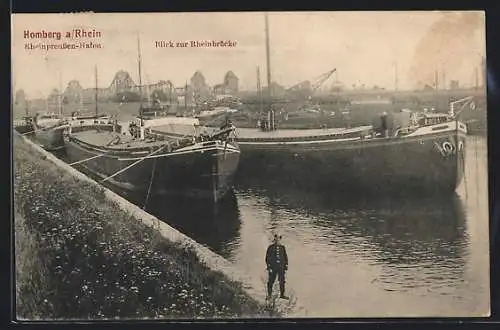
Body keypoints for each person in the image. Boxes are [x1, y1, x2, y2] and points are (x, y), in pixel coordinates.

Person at [265, 234, 289, 299]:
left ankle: (282, 294)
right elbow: (267, 258)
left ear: (280, 240)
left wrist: (286, 265)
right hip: (273, 267)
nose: (277, 240)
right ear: (274, 239)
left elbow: (285, 257)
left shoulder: (282, 247)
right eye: (276, 239)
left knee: (282, 281)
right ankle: (269, 295)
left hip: (281, 267)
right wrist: (269, 267)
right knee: (271, 281)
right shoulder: (270, 247)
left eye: (278, 239)